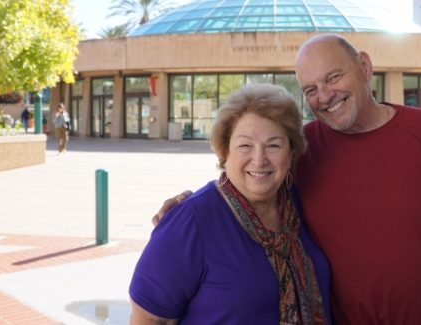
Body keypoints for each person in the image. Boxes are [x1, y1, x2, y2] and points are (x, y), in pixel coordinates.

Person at [153, 34, 421, 325]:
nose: (325, 96)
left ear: (365, 67)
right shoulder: (304, 148)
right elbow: (250, 182)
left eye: (334, 77)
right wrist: (187, 209)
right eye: (311, 89)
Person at [130, 84, 331, 324]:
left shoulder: (298, 204)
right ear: (225, 151)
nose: (259, 159)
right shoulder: (189, 222)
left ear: (291, 152)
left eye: (273, 145)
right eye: (245, 145)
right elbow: (150, 320)